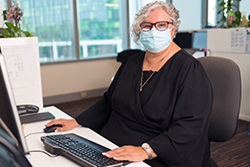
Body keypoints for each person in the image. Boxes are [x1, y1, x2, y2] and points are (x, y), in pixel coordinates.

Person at [46, 1, 213, 166]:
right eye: (147, 26)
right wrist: (76, 121)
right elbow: (108, 101)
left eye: (162, 25)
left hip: (154, 154)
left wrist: (147, 151)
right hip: (109, 145)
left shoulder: (189, 69)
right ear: (139, 31)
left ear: (173, 29)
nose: (154, 30)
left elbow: (191, 125)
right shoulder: (132, 62)